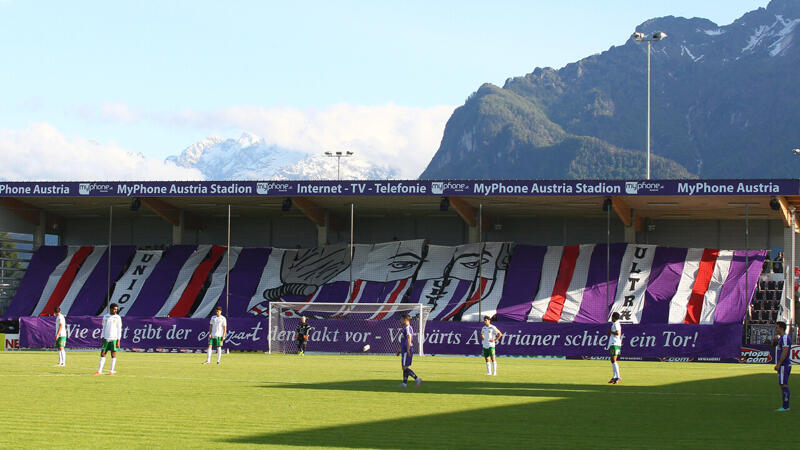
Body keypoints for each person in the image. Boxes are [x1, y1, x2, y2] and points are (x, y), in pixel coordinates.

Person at [95, 303, 122, 376]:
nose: (115, 311)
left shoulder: (118, 317)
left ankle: (111, 371)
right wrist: (102, 338)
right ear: (111, 309)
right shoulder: (105, 316)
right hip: (106, 338)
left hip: (114, 338)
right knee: (103, 353)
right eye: (114, 309)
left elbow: (119, 329)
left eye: (116, 309)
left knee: (113, 354)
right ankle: (99, 371)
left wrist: (118, 340)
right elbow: (103, 328)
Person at [397, 314, 422, 388]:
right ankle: (404, 384)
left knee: (404, 368)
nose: (400, 321)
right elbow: (404, 341)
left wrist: (407, 350)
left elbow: (409, 338)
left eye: (401, 319)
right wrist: (400, 350)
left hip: (407, 350)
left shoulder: (407, 328)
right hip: (404, 350)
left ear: (405, 320)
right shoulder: (406, 328)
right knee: (403, 367)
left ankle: (417, 379)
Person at [772, 321, 792, 411]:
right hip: (783, 365)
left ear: (781, 328)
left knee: (784, 385)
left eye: (777, 327)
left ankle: (785, 406)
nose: (776, 329)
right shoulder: (781, 338)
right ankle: (785, 405)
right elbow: (774, 346)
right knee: (782, 384)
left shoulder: (785, 338)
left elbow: (785, 351)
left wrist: (779, 364)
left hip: (784, 365)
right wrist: (774, 342)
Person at [607, 312, 622, 384]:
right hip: (614, 343)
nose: (611, 318)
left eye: (612, 317)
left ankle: (618, 376)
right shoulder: (615, 324)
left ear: (613, 317)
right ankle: (614, 376)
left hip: (615, 343)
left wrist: (611, 332)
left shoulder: (616, 324)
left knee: (613, 360)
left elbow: (617, 333)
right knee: (612, 360)